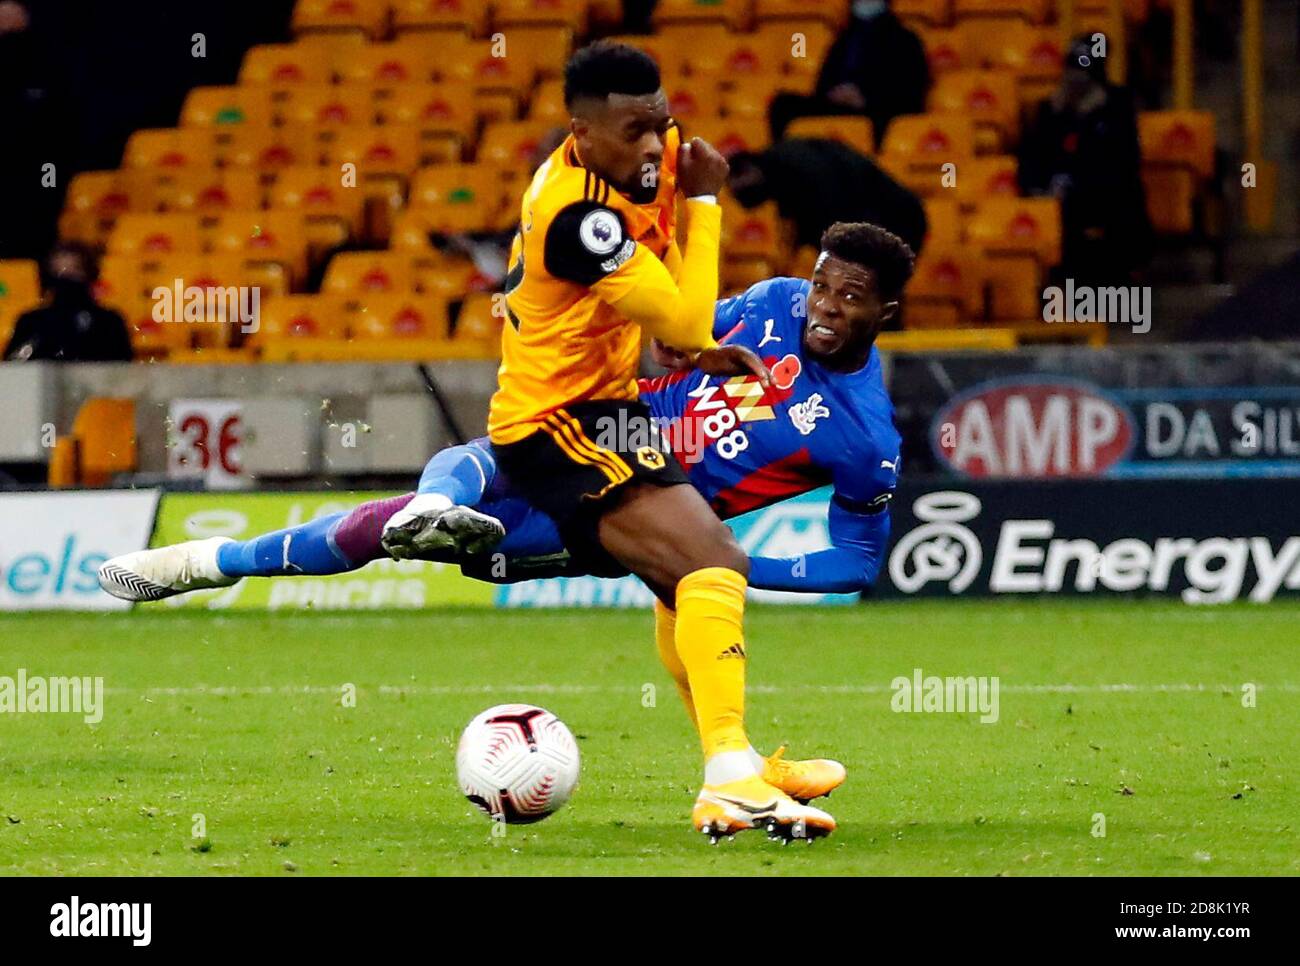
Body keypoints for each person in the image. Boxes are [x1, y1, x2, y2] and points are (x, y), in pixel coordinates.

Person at [103, 42, 835, 844]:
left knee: (663, 570)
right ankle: (731, 773)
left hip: (595, 412)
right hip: (562, 426)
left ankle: (203, 562)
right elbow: (688, 314)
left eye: (660, 124)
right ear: (583, 136)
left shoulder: (637, 170)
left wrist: (675, 339)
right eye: (635, 132)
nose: (656, 146)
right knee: (707, 564)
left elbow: (662, 313)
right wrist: (706, 210)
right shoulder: (575, 216)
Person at [101, 222, 915, 831]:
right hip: (608, 434)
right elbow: (676, 341)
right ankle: (217, 560)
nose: (825, 308)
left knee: (678, 582)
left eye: (849, 297)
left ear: (887, 310)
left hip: (633, 520)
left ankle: (737, 767)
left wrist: (738, 562)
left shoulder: (865, 435)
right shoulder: (771, 304)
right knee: (434, 498)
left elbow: (853, 561)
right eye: (822, 285)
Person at [1017, 36, 1151, 286]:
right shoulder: (1050, 110)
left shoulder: (1117, 107)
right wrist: (1039, 190)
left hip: (1103, 198)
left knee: (1117, 207)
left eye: (1082, 71)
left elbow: (1122, 164)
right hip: (1054, 201)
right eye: (1071, 70)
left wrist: (1089, 119)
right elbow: (1030, 160)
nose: (1074, 79)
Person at [768, 0, 930, 144]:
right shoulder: (843, 40)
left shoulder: (906, 40)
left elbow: (910, 94)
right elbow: (821, 84)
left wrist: (864, 98)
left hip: (875, 113)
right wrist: (835, 94)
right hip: (836, 107)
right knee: (783, 104)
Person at [728, 139, 927, 256]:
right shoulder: (782, 168)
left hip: (898, 218)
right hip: (876, 220)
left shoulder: (798, 166)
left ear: (749, 170)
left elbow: (837, 211)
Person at [3, 242, 133, 362]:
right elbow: (15, 366)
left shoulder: (109, 322)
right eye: (58, 272)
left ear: (90, 274)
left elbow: (121, 368)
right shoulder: (32, 322)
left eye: (74, 271)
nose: (66, 279)